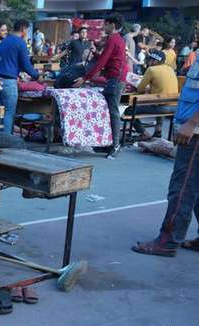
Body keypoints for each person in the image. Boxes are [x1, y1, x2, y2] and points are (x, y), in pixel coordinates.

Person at [132, 59, 199, 257]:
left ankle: (168, 240)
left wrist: (192, 123)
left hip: (195, 132)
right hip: (192, 127)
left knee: (182, 188)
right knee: (195, 188)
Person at [73, 15, 127, 158]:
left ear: (113, 25)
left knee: (113, 112)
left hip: (116, 79)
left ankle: (115, 145)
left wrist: (86, 77)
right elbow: (106, 59)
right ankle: (108, 144)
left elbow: (103, 62)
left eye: (106, 24)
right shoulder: (116, 39)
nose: (103, 27)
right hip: (115, 78)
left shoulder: (113, 39)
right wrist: (96, 53)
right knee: (109, 111)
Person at [0, 19, 41, 135]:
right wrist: (36, 76)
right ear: (23, 29)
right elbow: (26, 65)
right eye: (27, 30)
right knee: (9, 113)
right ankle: (6, 141)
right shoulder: (20, 43)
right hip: (9, 82)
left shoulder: (3, 41)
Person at [123, 49, 178, 140]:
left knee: (129, 111)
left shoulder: (151, 69)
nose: (148, 61)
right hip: (174, 106)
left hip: (161, 107)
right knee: (161, 101)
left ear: (155, 61)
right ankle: (158, 131)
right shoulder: (170, 69)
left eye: (150, 60)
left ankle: (143, 133)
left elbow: (140, 89)